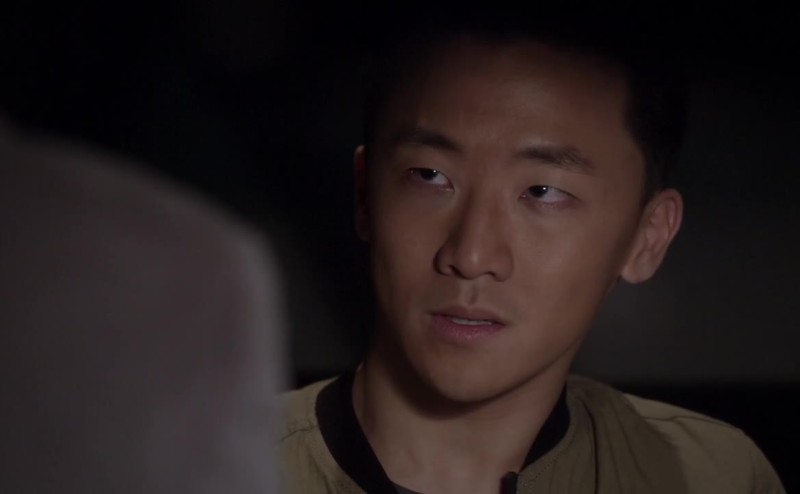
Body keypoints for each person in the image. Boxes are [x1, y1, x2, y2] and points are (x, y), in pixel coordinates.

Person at [278, 11, 785, 494]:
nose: (472, 256)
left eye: (543, 192)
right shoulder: (234, 465)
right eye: (430, 175)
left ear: (648, 237)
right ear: (366, 194)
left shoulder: (709, 476)